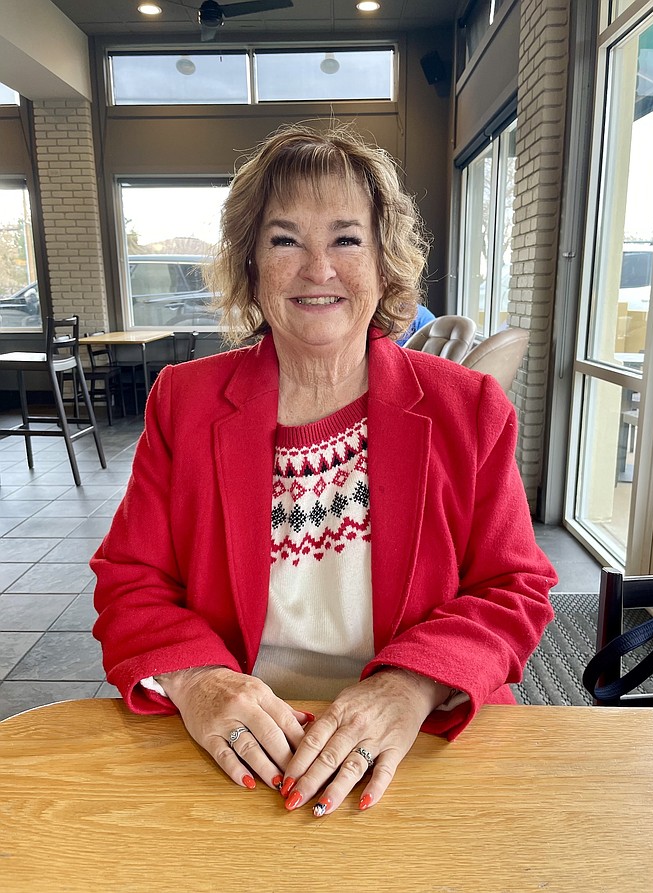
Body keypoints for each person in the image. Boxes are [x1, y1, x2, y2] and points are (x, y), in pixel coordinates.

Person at [91, 124, 557, 818]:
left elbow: (514, 586)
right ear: (250, 265)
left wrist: (412, 685)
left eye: (346, 239)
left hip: (418, 742)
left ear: (384, 260)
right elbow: (131, 582)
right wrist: (198, 680)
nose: (318, 269)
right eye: (285, 240)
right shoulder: (182, 402)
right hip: (237, 748)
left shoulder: (469, 407)